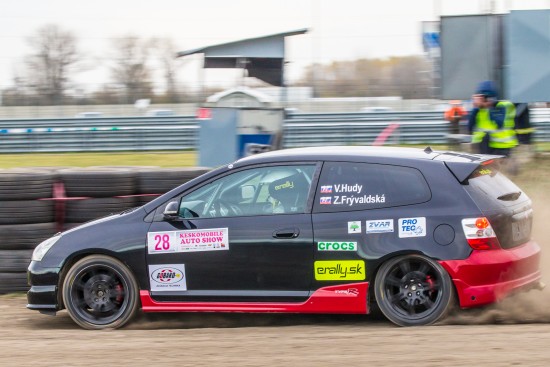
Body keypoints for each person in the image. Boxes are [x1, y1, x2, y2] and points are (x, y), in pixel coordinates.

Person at [468, 81, 518, 156]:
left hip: (502, 145)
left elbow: (499, 124)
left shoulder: (501, 106)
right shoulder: (478, 110)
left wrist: (489, 107)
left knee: (501, 167)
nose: (480, 100)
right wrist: (475, 109)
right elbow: (470, 128)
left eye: (482, 97)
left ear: (490, 98)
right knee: (485, 167)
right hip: (484, 146)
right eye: (478, 97)